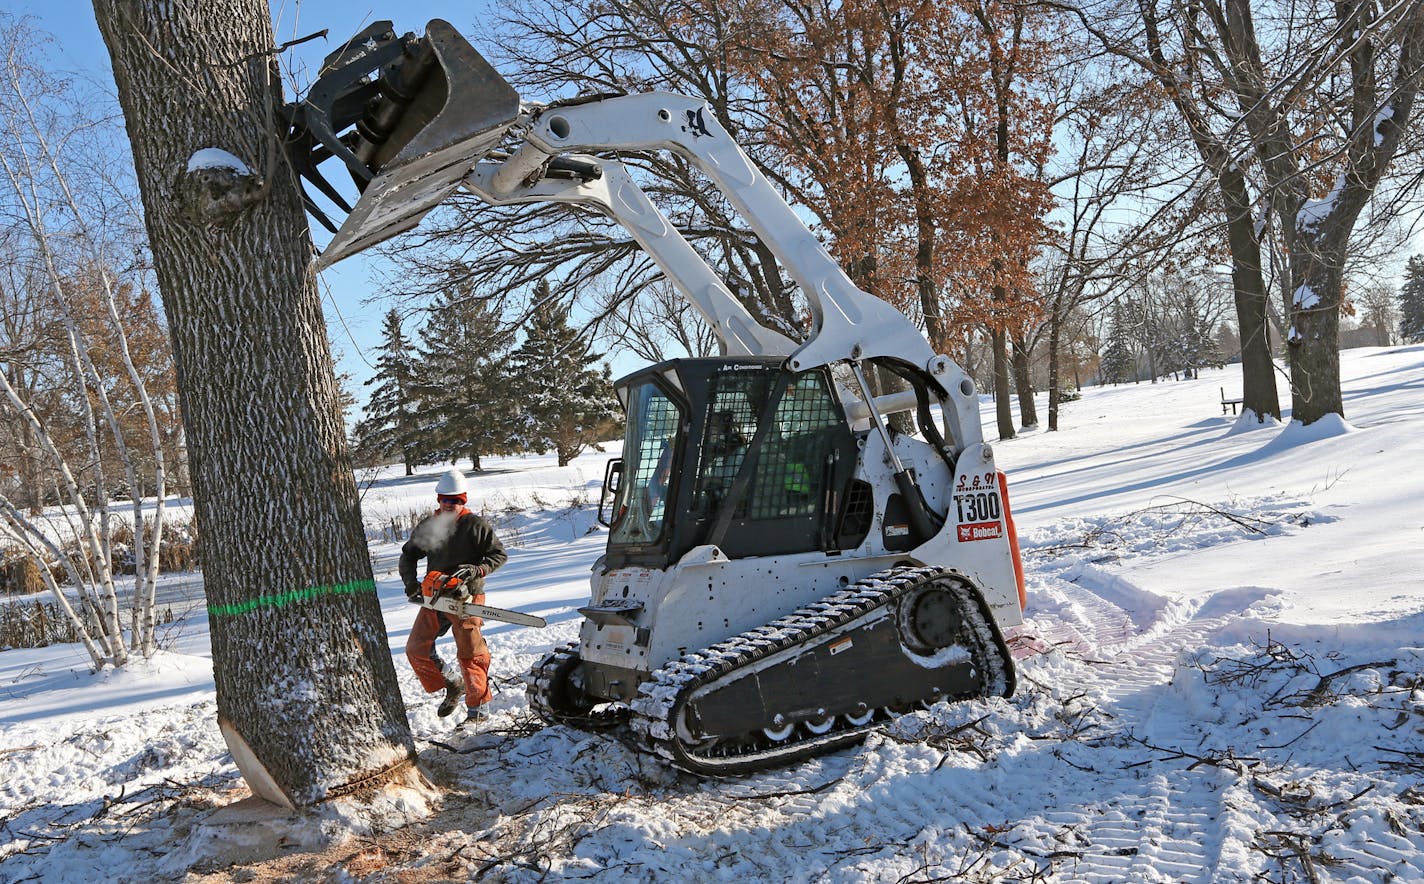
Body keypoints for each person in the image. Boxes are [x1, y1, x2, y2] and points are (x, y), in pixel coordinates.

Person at [401, 469, 508, 726]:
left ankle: (478, 712)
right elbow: (409, 555)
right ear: (439, 500)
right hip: (436, 595)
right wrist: (411, 584)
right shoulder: (429, 525)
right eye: (446, 500)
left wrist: (477, 569)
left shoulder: (475, 525)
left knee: (471, 655)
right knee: (417, 648)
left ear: (464, 500)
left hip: (467, 597)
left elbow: (498, 554)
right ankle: (452, 682)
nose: (450, 505)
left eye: (456, 500)